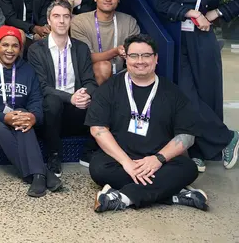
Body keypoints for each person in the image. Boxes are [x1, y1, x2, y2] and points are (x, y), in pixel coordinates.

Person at [87, 34, 207, 213]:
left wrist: (158, 159)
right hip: (121, 160)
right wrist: (127, 162)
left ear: (156, 58)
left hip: (159, 160)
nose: (140, 61)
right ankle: (172, 194)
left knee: (188, 168)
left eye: (146, 55)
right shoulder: (109, 89)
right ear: (126, 58)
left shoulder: (173, 93)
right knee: (98, 168)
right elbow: (98, 129)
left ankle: (123, 197)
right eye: (134, 56)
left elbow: (187, 136)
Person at [153, 0, 239, 171]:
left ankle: (199, 151)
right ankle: (227, 137)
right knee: (185, 96)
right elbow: (159, 3)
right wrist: (191, 12)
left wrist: (218, 13)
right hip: (176, 39)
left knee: (206, 94)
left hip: (203, 40)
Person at [0, 25, 62, 197]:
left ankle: (37, 176)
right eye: (5, 45)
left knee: (23, 115)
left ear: (20, 49)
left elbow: (36, 100)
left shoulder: (27, 69)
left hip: (21, 121)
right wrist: (3, 116)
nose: (9, 50)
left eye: (15, 46)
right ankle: (43, 172)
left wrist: (33, 116)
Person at [27, 0, 99, 177]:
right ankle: (54, 155)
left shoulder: (81, 48)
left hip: (77, 110)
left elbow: (90, 81)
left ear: (71, 20)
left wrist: (85, 94)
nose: (61, 21)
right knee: (52, 101)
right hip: (50, 113)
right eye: (56, 16)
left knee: (102, 96)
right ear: (49, 20)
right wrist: (70, 98)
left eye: (66, 16)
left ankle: (89, 151)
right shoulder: (36, 49)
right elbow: (42, 87)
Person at [70, 0, 140, 85]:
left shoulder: (129, 21)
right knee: (104, 67)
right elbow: (86, 58)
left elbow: (136, 55)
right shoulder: (80, 21)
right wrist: (115, 51)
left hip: (120, 75)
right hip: (90, 77)